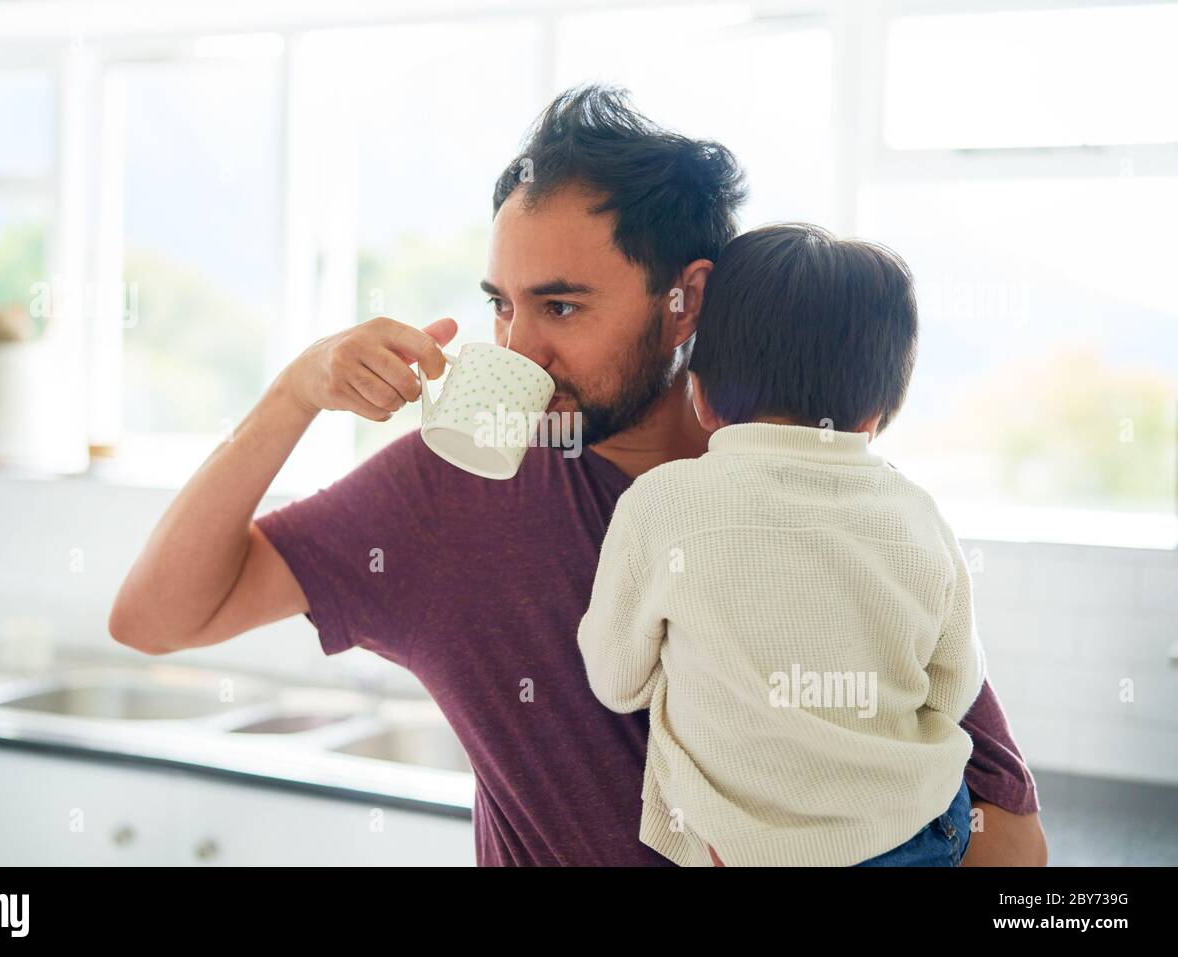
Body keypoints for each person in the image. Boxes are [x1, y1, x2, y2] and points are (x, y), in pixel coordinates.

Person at [109, 86, 1045, 866]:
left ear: (690, 300)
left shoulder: (823, 500)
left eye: (560, 304)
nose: (519, 348)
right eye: (501, 306)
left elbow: (1011, 841)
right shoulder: (445, 493)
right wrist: (295, 394)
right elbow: (158, 616)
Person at [578, 223, 983, 866]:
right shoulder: (916, 513)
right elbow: (954, 684)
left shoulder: (662, 503)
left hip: (740, 847)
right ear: (877, 414)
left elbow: (616, 681)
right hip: (915, 829)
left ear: (701, 394)